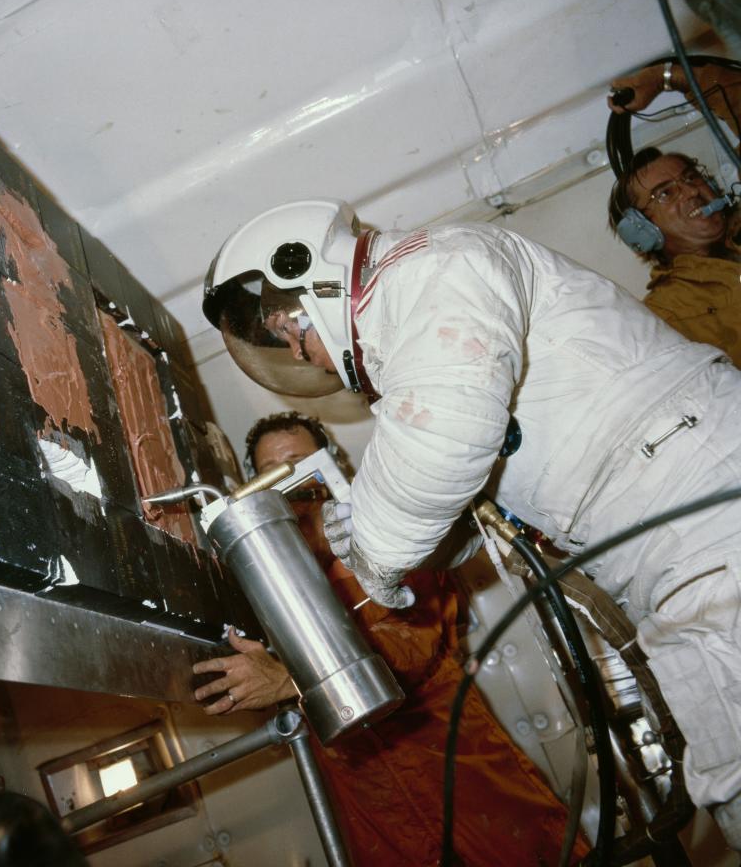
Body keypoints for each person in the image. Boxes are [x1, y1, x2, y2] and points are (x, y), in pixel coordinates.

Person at [202, 199, 741, 850]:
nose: (300, 353)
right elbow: (459, 507)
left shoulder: (433, 268)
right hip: (677, 539)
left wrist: (370, 553)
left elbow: (440, 442)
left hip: (700, 517)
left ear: (308, 279)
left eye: (291, 332)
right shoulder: (419, 332)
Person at [193, 412, 585, 866]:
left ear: (329, 462)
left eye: (298, 463)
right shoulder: (258, 569)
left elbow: (409, 643)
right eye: (268, 473)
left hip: (447, 755)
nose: (288, 480)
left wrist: (289, 681)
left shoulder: (381, 528)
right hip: (366, 789)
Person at [607, 62, 741, 364]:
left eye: (692, 177)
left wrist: (667, 78)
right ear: (641, 230)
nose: (693, 191)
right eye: (665, 193)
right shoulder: (663, 320)